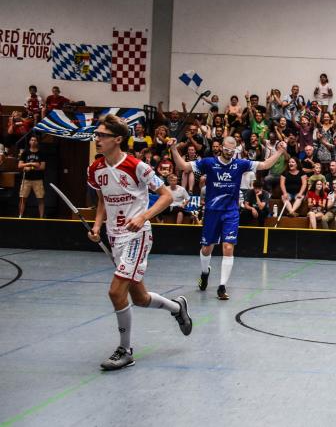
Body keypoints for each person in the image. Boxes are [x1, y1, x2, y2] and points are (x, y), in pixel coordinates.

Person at [86, 114, 192, 371]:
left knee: (115, 292)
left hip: (138, 235)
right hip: (114, 237)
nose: (97, 139)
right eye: (97, 134)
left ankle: (125, 350)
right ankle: (177, 307)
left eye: (102, 135)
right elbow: (102, 201)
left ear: (117, 139)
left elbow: (166, 196)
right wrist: (98, 226)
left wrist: (143, 216)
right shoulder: (95, 169)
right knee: (140, 297)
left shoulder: (137, 166)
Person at [172, 135, 286, 300]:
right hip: (212, 211)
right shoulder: (209, 162)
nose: (228, 153)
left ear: (235, 150)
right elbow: (182, 165)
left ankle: (222, 287)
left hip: (231, 212)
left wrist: (280, 151)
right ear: (220, 147)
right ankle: (205, 274)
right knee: (207, 248)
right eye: (225, 149)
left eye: (231, 151)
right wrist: (174, 149)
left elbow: (265, 164)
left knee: (228, 247)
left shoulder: (240, 164)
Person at [18, 134, 46, 218]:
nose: (33, 142)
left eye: (35, 140)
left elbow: (42, 167)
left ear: (37, 142)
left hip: (38, 179)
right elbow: (19, 165)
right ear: (29, 142)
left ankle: (41, 217)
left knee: (40, 198)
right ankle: (20, 216)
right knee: (23, 198)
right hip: (26, 179)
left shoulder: (41, 153)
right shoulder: (25, 152)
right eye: (32, 140)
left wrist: (31, 167)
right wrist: (31, 164)